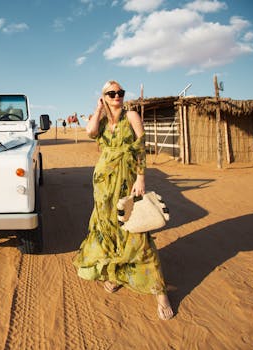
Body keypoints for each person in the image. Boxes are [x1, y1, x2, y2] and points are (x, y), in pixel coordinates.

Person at [72, 80, 174, 321]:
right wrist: (98, 109)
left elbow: (140, 148)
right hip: (103, 180)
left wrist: (141, 178)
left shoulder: (132, 116)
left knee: (135, 231)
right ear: (104, 96)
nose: (117, 96)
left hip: (127, 177)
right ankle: (115, 275)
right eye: (111, 93)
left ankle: (160, 293)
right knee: (108, 228)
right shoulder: (103, 118)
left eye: (119, 92)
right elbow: (90, 132)